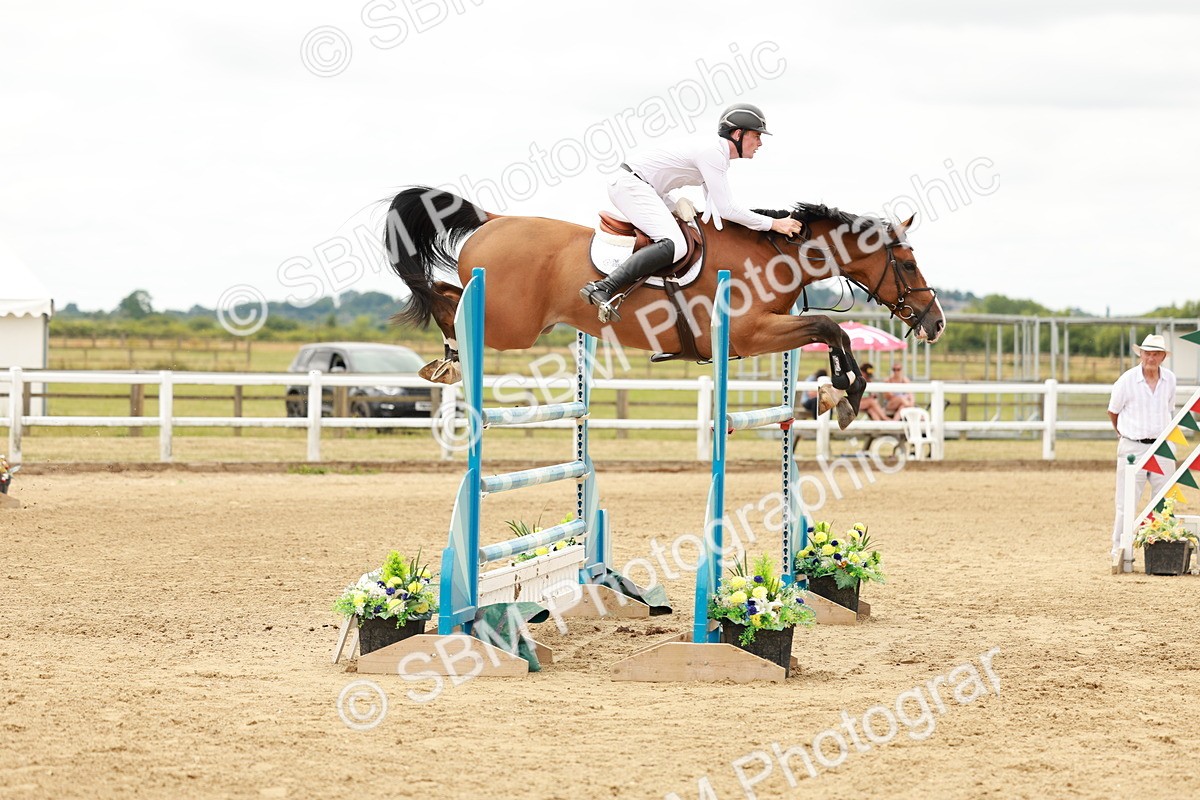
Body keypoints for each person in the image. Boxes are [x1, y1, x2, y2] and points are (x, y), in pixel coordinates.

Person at [579, 103, 804, 322]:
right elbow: (728, 209)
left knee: (691, 231)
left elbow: (716, 214)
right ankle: (603, 287)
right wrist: (775, 224)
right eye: (756, 135)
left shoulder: (719, 158)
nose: (760, 143)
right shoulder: (714, 154)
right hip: (632, 185)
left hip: (649, 188)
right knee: (676, 245)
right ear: (737, 133)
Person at [1108, 334, 1176, 558]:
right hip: (1133, 447)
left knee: (1164, 500)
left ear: (1163, 357)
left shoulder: (1170, 380)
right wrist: (1124, 435)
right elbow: (1113, 411)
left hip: (1163, 446)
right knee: (1126, 501)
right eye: (1147, 352)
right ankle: (1119, 549)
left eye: (1156, 353)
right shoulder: (1126, 380)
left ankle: (1160, 547)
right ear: (1141, 354)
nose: (1151, 357)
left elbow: (1169, 409)